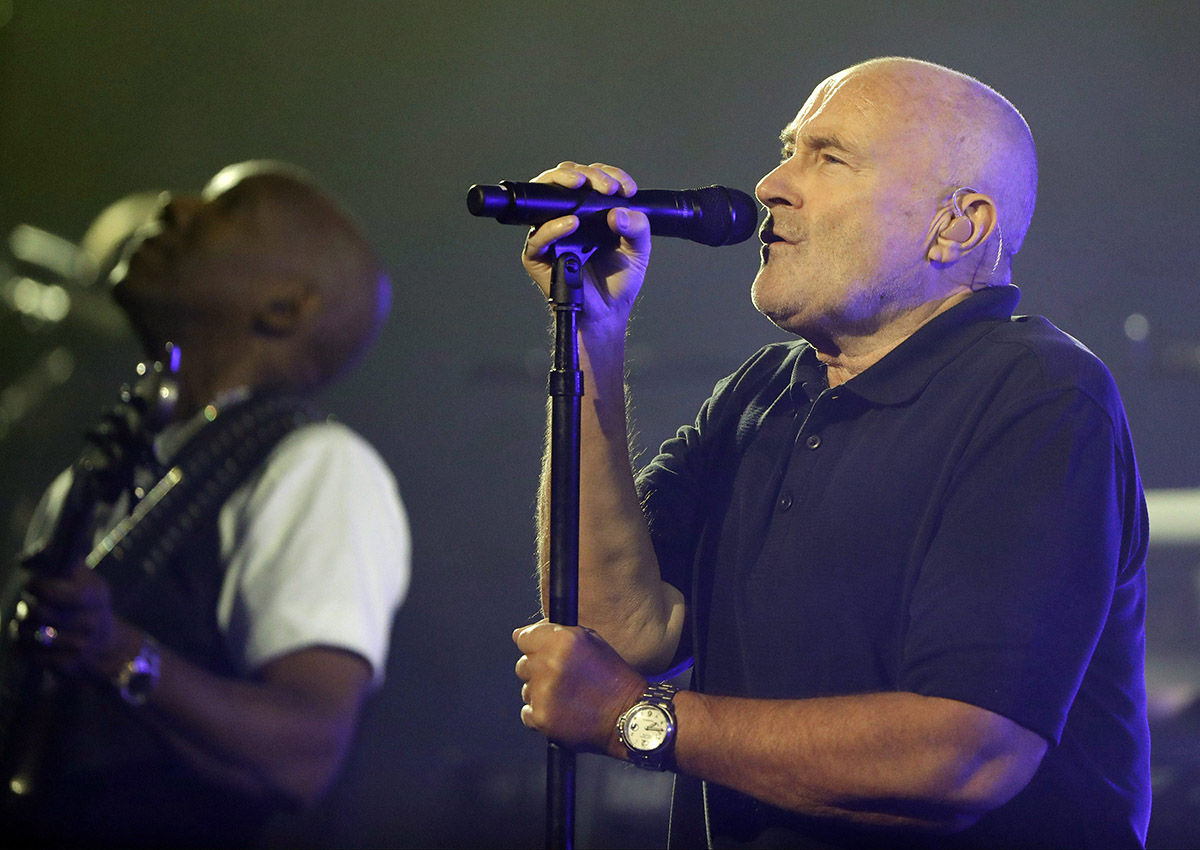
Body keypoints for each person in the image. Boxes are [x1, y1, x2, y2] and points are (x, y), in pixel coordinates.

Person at [512, 57, 1150, 848]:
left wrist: (636, 718)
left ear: (958, 226)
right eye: (788, 149)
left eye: (829, 157)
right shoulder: (760, 394)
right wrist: (593, 334)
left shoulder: (1039, 395)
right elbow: (617, 628)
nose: (772, 183)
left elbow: (964, 756)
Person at [0, 161, 410, 848]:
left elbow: (304, 753)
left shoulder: (317, 469)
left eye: (228, 209)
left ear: (286, 306)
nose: (174, 206)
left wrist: (117, 652)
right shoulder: (95, 473)